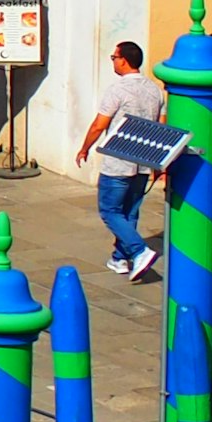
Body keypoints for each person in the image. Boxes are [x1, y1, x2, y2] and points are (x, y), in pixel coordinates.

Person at [73, 38, 170, 279]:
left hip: (118, 160)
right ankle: (120, 258)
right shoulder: (155, 90)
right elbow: (162, 124)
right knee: (130, 212)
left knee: (109, 211)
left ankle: (139, 251)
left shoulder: (117, 90)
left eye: (114, 58)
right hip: (144, 160)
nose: (113, 62)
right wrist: (159, 162)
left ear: (124, 61)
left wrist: (85, 148)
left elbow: (99, 124)